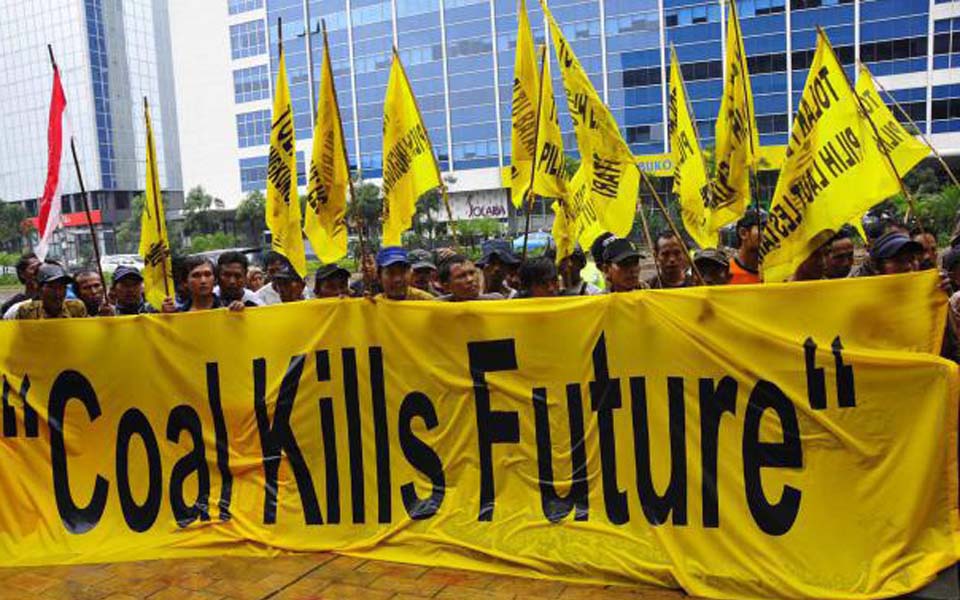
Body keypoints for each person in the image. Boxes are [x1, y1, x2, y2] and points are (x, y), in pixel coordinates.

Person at [15, 264, 87, 319]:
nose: (58, 293)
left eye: (62, 287)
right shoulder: (27, 311)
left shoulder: (76, 308)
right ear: (39, 289)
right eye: (52, 288)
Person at [437, 255, 504, 302]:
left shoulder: (495, 301)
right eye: (461, 276)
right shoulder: (437, 307)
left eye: (472, 273)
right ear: (446, 287)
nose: (470, 279)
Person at [729, 209, 764, 285]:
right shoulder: (725, 274)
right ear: (743, 233)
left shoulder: (776, 275)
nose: (768, 233)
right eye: (762, 228)